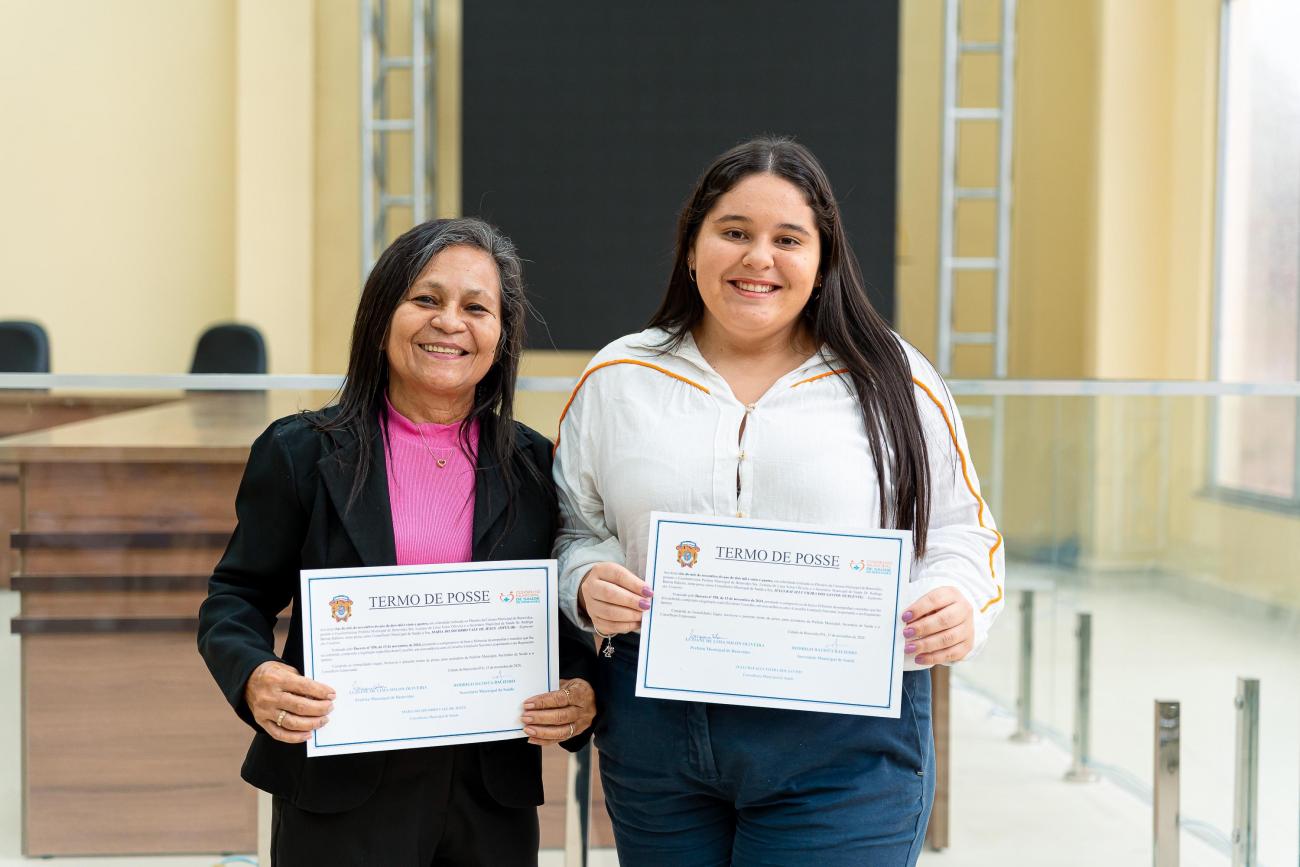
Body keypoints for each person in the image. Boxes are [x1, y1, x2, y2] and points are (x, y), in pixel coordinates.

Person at [553, 137, 1004, 866]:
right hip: (657, 734)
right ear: (691, 247)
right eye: (734, 232)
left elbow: (962, 531)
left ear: (823, 259)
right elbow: (574, 526)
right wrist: (583, 581)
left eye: (788, 239)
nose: (758, 258)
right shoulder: (619, 377)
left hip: (845, 738)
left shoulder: (894, 379)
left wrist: (959, 601)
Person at [198, 217, 597, 866]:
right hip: (339, 792)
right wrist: (255, 675)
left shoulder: (535, 466)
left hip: (489, 796)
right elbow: (235, 597)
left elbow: (553, 615)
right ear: (382, 315)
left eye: (476, 308)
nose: (450, 322)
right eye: (426, 299)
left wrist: (580, 688)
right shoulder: (301, 453)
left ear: (502, 335)